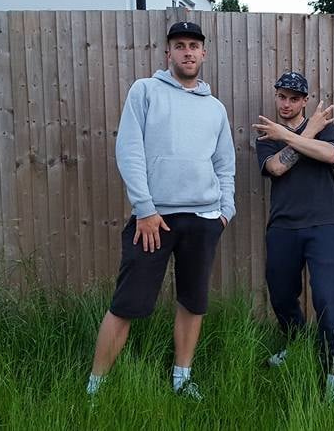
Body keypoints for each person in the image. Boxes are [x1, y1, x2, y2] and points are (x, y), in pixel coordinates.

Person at [86, 21, 235, 401]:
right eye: (180, 45)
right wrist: (145, 209)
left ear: (204, 53)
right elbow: (129, 151)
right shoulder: (146, 91)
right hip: (153, 220)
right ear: (168, 53)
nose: (187, 52)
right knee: (127, 303)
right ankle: (95, 389)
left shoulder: (215, 109)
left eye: (194, 46)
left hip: (204, 220)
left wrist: (225, 212)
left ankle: (182, 380)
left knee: (193, 302)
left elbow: (224, 164)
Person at [252, 71, 334, 403]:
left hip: (323, 224)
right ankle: (296, 343)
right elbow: (277, 168)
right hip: (283, 225)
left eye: (294, 98)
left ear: (305, 101)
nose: (286, 104)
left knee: (327, 296)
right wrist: (299, 133)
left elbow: (330, 155)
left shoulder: (326, 127)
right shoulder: (268, 134)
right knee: (280, 293)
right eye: (282, 97)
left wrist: (293, 135)